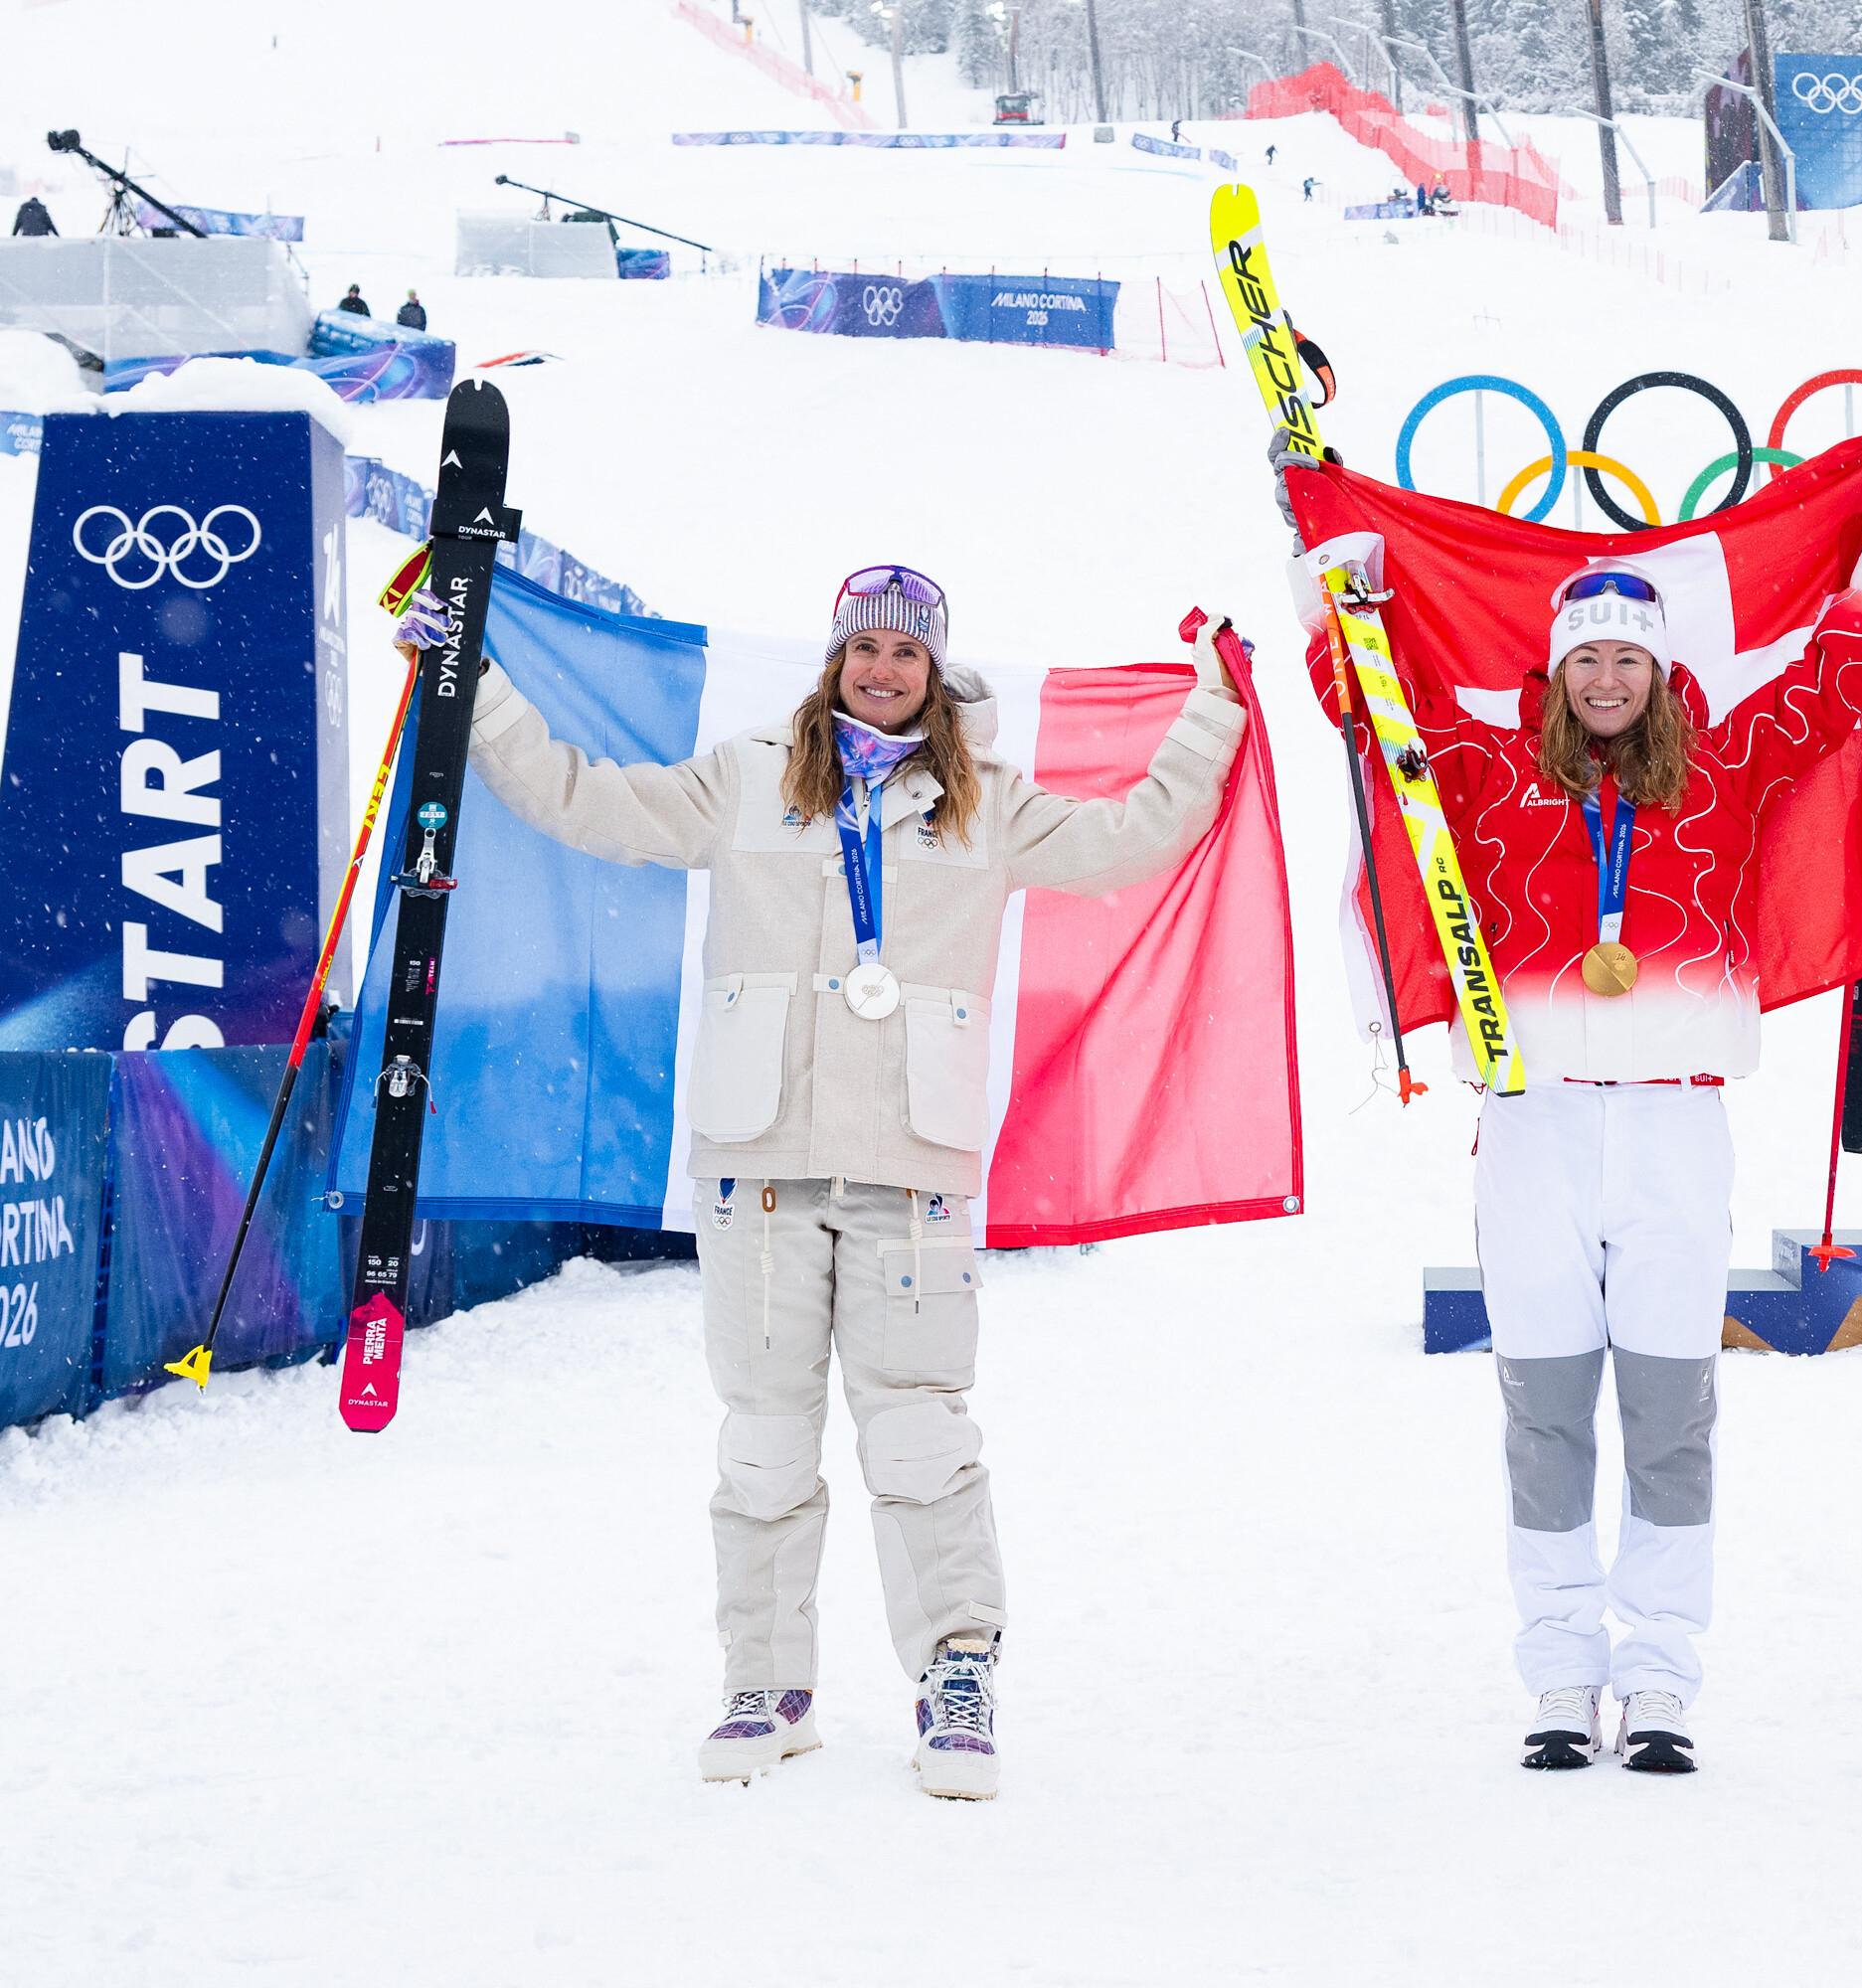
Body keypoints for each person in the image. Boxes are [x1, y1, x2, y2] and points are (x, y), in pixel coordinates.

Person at [400, 567, 1252, 1798]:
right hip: (761, 1165)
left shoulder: (989, 805)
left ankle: (955, 1677)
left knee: (919, 1435)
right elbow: (582, 800)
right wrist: (466, 678)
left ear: (936, 672)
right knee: (761, 1439)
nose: (884, 669)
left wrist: (1217, 705)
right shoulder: (745, 776)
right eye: (867, 648)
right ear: (836, 660)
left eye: (908, 652)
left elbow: (1138, 834)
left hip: (912, 1166)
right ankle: (767, 1684)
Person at [1298, 431, 1862, 1774]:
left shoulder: (1724, 769)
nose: (1607, 677)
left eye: (1630, 657)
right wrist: (1320, 549)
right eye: (1587, 655)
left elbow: (1841, 676)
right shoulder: (1484, 774)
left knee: (1671, 1412)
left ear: (1661, 673)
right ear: (1557, 671)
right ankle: (1558, 1681)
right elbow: (1371, 700)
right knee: (1544, 1416)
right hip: (1536, 1129)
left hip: (1673, 1127)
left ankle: (1658, 1681)